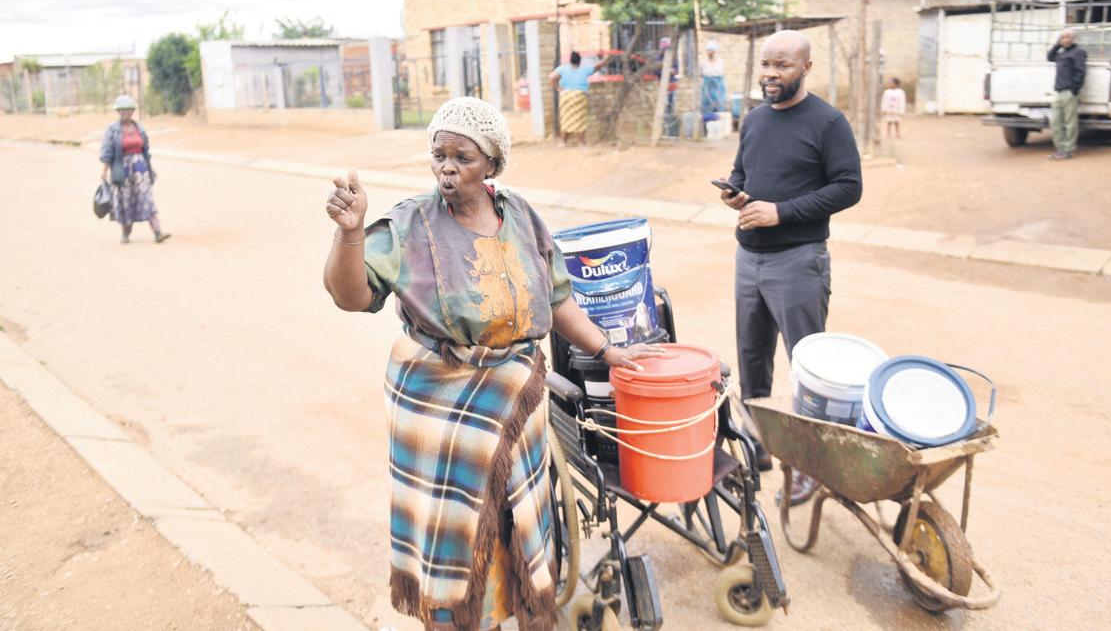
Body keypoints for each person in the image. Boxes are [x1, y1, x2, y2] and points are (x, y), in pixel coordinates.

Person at [323, 97, 660, 631]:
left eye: (463, 156)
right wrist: (349, 232)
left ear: (493, 166)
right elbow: (351, 294)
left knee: (511, 522)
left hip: (515, 397)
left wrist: (607, 351)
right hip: (440, 407)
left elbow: (557, 300)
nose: (447, 168)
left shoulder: (522, 217)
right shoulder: (411, 223)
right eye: (439, 155)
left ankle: (507, 609)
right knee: (453, 533)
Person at [719, 31, 862, 463]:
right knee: (752, 356)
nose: (771, 74)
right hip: (749, 258)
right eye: (766, 64)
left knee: (808, 363)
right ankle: (757, 443)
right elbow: (741, 171)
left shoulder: (828, 123)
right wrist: (735, 193)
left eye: (782, 65)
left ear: (806, 68)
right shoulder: (756, 118)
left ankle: (810, 461)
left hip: (798, 261)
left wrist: (780, 212)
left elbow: (848, 187)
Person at [99, 94, 171, 244]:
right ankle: (125, 233)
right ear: (117, 112)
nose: (125, 113)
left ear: (132, 111)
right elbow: (107, 153)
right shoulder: (112, 130)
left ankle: (157, 232)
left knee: (147, 199)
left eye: (128, 110)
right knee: (126, 202)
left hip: (140, 170)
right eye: (122, 110)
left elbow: (146, 150)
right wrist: (104, 172)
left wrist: (150, 168)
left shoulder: (139, 128)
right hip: (122, 171)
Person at [549, 50, 608, 145]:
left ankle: (563, 142)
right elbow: (597, 67)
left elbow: (551, 77)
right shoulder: (584, 70)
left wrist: (558, 88)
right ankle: (581, 142)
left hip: (566, 96)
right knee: (580, 118)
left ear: (570, 60)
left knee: (565, 118)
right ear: (579, 61)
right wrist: (604, 59)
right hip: (580, 96)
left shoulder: (563, 69)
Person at [1047, 28, 1086, 160]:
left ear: (1073, 39)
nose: (1065, 39)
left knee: (1070, 123)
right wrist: (1057, 45)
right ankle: (1060, 148)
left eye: (1068, 37)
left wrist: (1073, 90)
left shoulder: (1078, 52)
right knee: (1055, 122)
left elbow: (1080, 72)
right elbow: (1049, 57)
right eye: (1062, 37)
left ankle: (1068, 149)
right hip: (1059, 91)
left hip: (1069, 92)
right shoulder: (1061, 53)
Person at [700, 39, 728, 126]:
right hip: (707, 88)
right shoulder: (703, 63)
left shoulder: (720, 62)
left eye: (711, 50)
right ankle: (706, 127)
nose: (709, 52)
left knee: (719, 105)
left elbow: (723, 75)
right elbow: (701, 75)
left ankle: (720, 126)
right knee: (706, 106)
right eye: (708, 50)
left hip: (718, 88)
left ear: (715, 51)